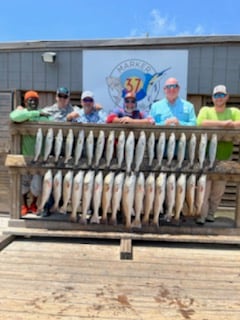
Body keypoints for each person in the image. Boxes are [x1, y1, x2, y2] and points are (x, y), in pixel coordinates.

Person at [196, 84, 240, 225]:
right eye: (216, 95)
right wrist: (224, 124)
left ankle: (211, 214)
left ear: (227, 97)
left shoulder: (233, 111)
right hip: (206, 157)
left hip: (225, 157)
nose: (219, 98)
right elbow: (201, 122)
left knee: (218, 189)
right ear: (212, 98)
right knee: (205, 188)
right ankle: (201, 216)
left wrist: (229, 124)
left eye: (221, 95)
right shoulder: (206, 110)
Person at [9, 90, 50, 216]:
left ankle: (33, 204)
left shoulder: (42, 114)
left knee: (37, 186)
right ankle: (24, 205)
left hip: (39, 157)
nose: (32, 102)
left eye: (35, 100)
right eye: (29, 100)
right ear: (25, 102)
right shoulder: (23, 112)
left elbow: (50, 121)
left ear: (38, 102)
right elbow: (14, 117)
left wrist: (38, 114)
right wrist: (34, 113)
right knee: (23, 184)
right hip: (24, 156)